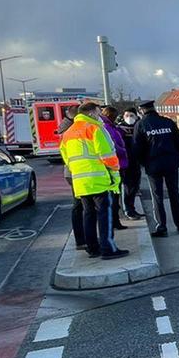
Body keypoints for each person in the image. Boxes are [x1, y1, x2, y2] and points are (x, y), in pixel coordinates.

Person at [60, 102, 126, 261]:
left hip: (80, 182)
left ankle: (92, 248)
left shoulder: (68, 133)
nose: (100, 116)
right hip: (98, 180)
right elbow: (108, 155)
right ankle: (108, 248)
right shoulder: (95, 129)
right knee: (105, 215)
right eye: (98, 112)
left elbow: (66, 156)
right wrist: (115, 171)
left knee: (88, 215)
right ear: (90, 113)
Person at [134, 99, 179, 237]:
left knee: (157, 196)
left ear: (141, 110)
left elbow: (137, 148)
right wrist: (176, 156)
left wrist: (144, 163)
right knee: (174, 193)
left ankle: (162, 227)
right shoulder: (168, 122)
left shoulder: (141, 124)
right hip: (171, 163)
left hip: (153, 165)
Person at [56, 110, 85, 251]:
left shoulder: (66, 130)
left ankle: (82, 239)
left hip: (73, 172)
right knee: (81, 206)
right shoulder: (72, 130)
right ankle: (82, 239)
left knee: (80, 206)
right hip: (78, 173)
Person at [99, 106, 130, 231]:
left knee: (115, 195)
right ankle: (114, 222)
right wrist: (124, 151)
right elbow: (114, 146)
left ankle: (115, 221)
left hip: (118, 164)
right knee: (114, 196)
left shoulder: (111, 127)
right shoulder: (106, 128)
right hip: (114, 165)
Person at [117, 107, 145, 221]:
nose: (129, 118)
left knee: (133, 188)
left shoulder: (139, 126)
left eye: (131, 115)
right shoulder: (119, 129)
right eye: (126, 115)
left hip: (136, 162)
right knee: (127, 188)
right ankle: (128, 210)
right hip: (124, 162)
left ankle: (131, 209)